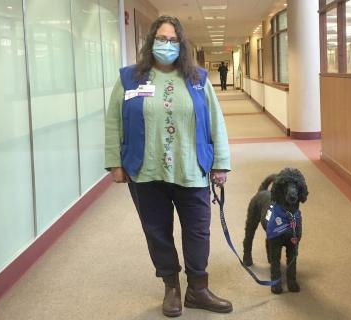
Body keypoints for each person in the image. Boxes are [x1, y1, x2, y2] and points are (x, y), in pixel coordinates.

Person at [104, 15, 232, 317]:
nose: (167, 45)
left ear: (182, 44)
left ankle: (198, 289)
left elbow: (217, 121)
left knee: (198, 231)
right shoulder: (129, 78)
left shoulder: (198, 79)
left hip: (192, 170)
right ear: (151, 42)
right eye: (161, 39)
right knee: (157, 232)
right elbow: (113, 122)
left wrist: (221, 163)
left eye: (173, 40)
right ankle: (172, 288)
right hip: (146, 171)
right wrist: (115, 163)